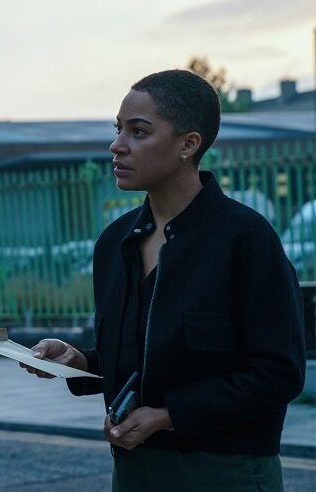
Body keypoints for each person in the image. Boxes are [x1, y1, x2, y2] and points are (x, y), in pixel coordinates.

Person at [20, 70, 305, 491]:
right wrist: (79, 361)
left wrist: (169, 415)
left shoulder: (244, 238)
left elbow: (279, 373)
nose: (117, 145)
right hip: (136, 472)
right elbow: (146, 356)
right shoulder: (114, 243)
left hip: (225, 473)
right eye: (119, 129)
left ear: (189, 144)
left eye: (139, 132)